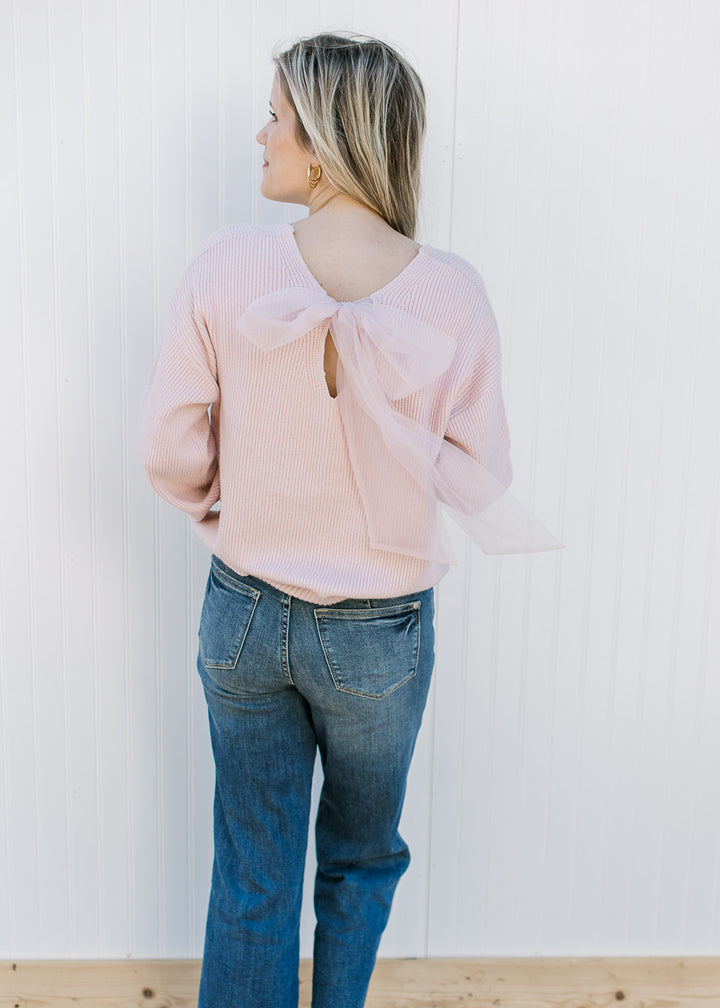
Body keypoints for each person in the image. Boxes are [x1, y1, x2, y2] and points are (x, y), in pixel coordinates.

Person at [140, 31, 561, 1008]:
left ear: (327, 143)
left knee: (253, 864)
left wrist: (226, 510)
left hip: (243, 613)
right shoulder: (451, 292)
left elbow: (168, 445)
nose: (261, 135)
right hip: (379, 637)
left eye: (276, 119)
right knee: (361, 857)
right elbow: (481, 469)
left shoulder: (226, 268)